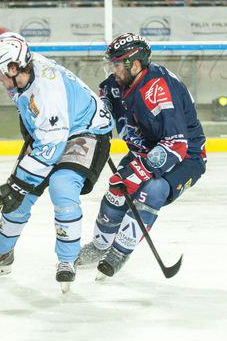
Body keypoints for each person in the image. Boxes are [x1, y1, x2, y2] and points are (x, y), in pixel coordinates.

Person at [0, 32, 113, 287]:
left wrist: (17, 184)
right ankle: (2, 253)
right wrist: (18, 185)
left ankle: (68, 258)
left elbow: (52, 146)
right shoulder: (23, 73)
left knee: (61, 186)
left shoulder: (46, 91)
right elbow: (41, 126)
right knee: (19, 195)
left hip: (87, 131)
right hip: (54, 131)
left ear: (13, 67)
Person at [76, 33, 206, 276]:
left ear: (135, 64)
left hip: (186, 156)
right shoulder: (118, 83)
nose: (113, 70)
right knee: (116, 191)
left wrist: (138, 172)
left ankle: (119, 252)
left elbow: (176, 143)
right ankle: (100, 246)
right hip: (145, 150)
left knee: (152, 190)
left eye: (117, 64)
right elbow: (102, 105)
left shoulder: (158, 89)